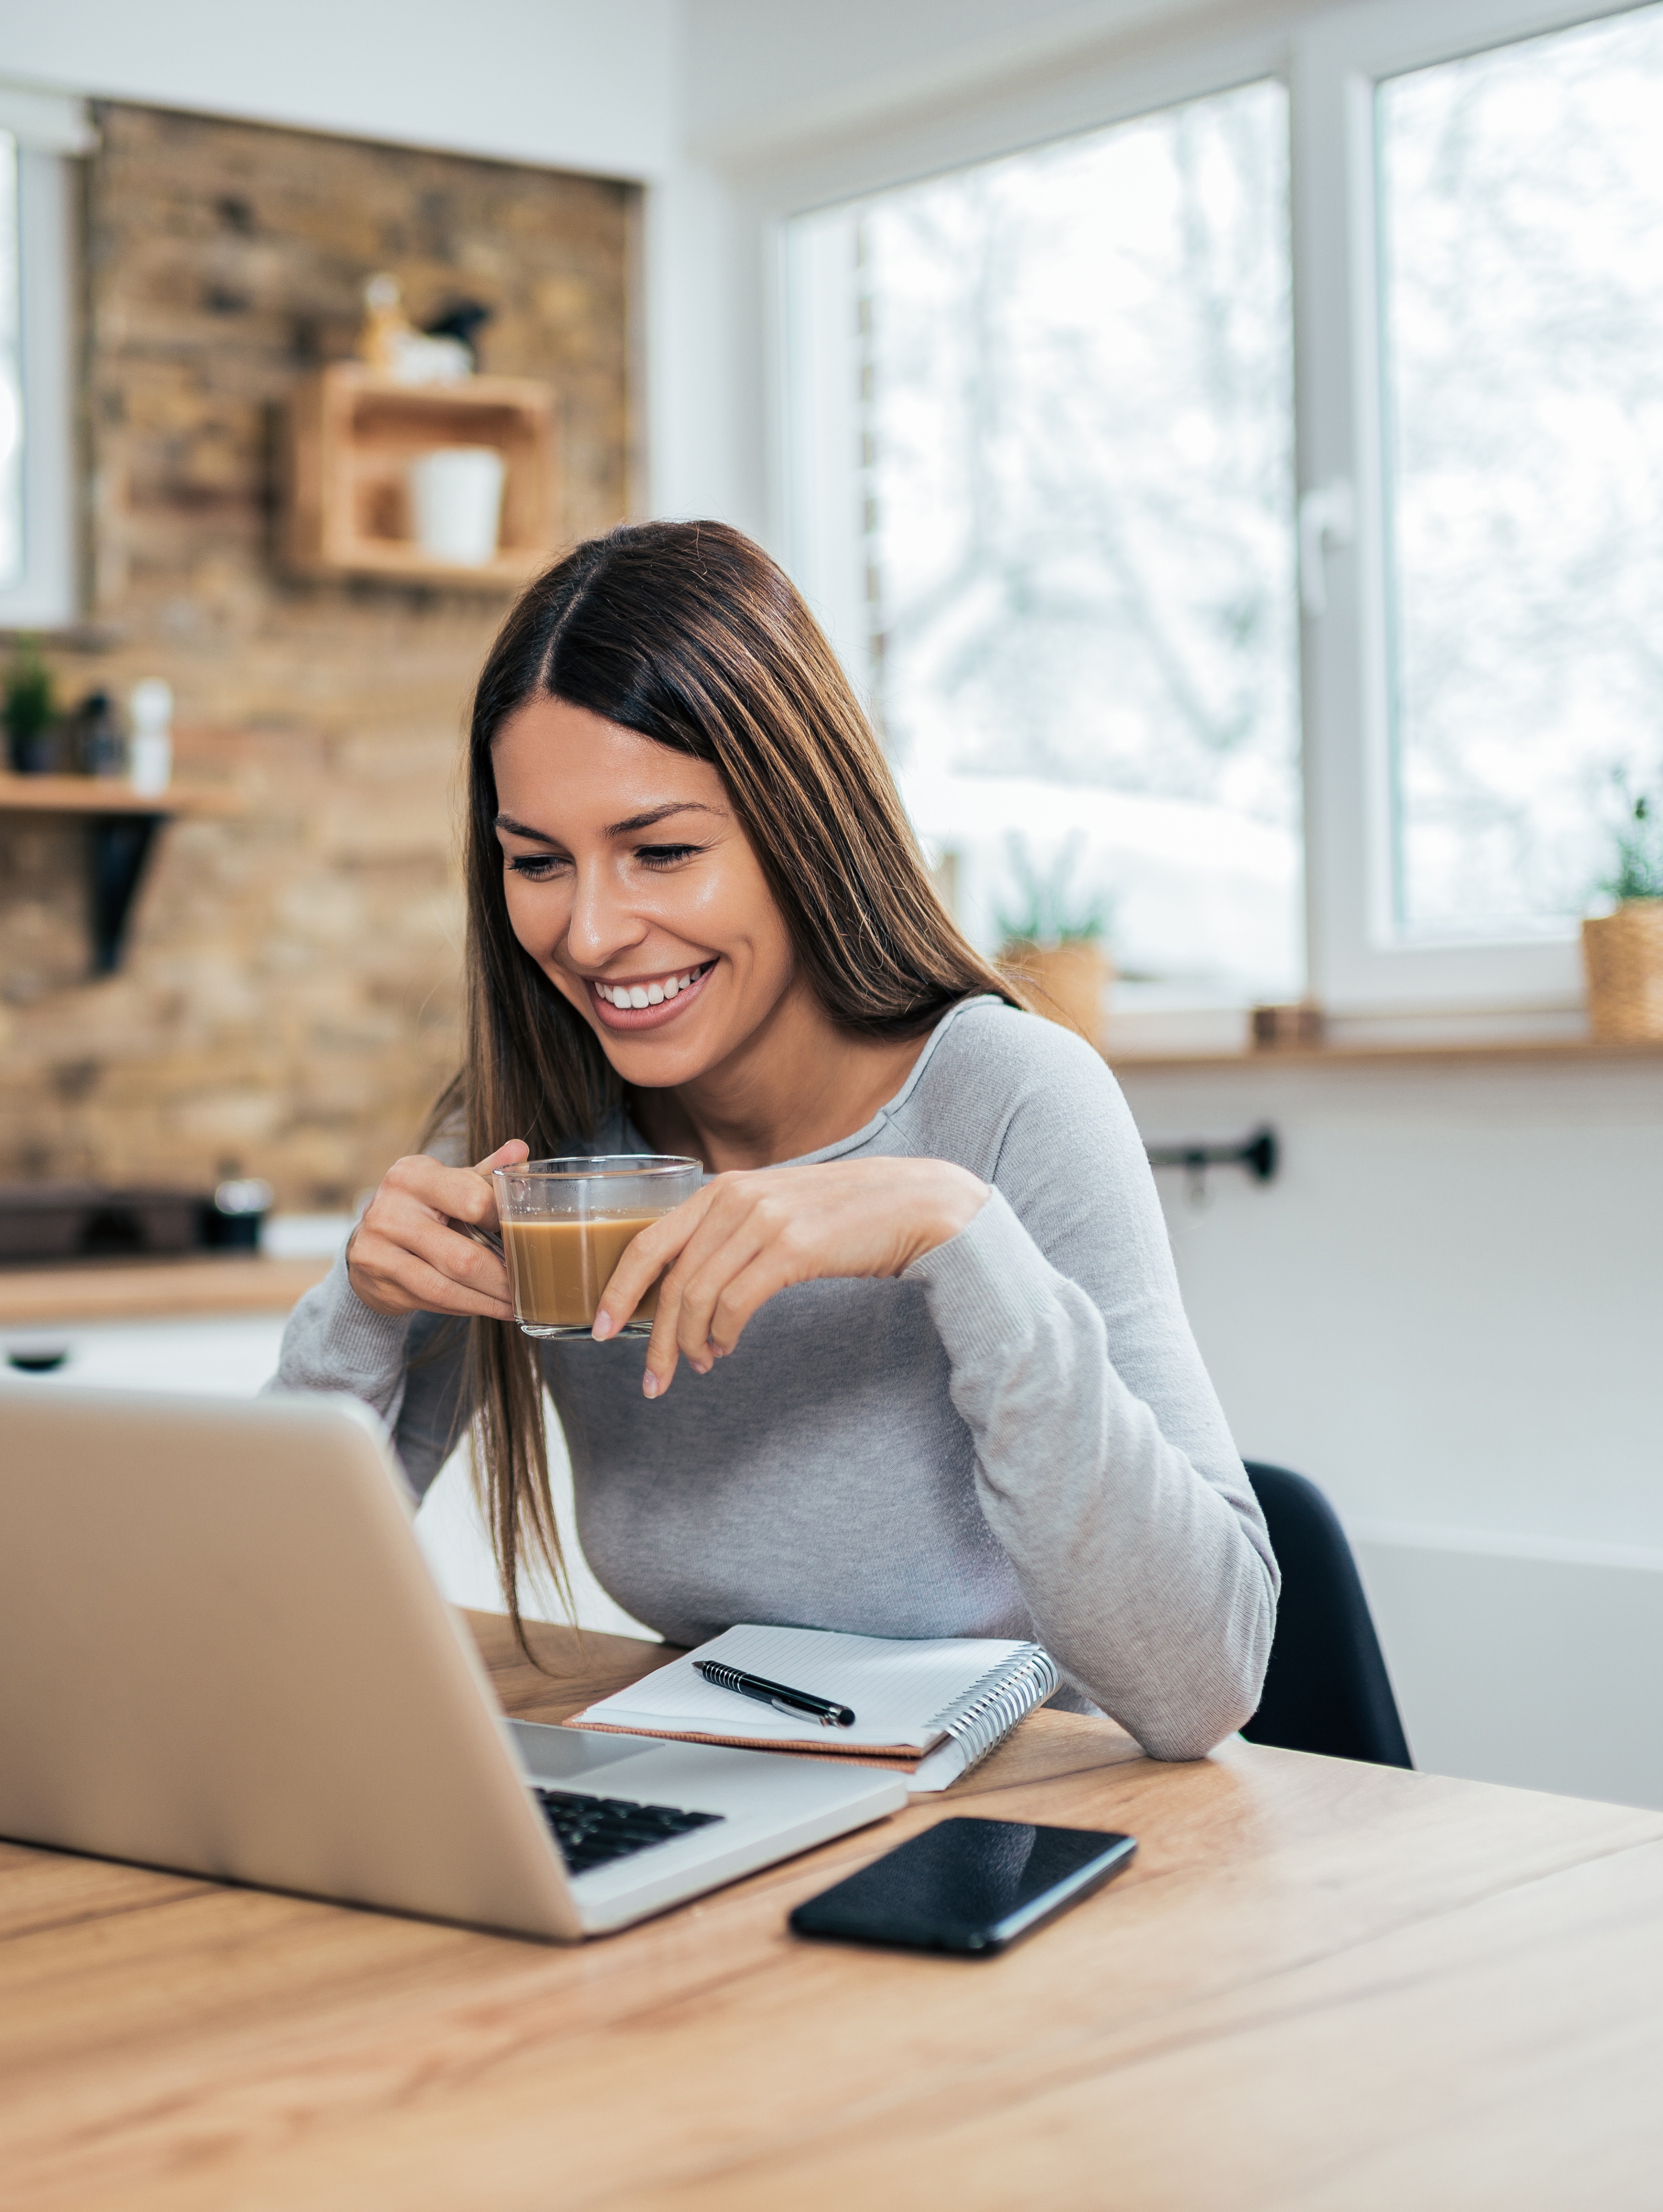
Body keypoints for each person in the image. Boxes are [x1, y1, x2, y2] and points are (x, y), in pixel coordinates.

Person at [268, 521, 1275, 1761]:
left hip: (1009, 1820)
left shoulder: (1013, 1099)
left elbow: (1203, 1684)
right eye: (537, 861)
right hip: (712, 1787)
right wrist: (360, 1314)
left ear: (800, 823)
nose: (587, 933)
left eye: (662, 852)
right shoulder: (530, 1147)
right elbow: (238, 1627)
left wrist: (957, 1236)